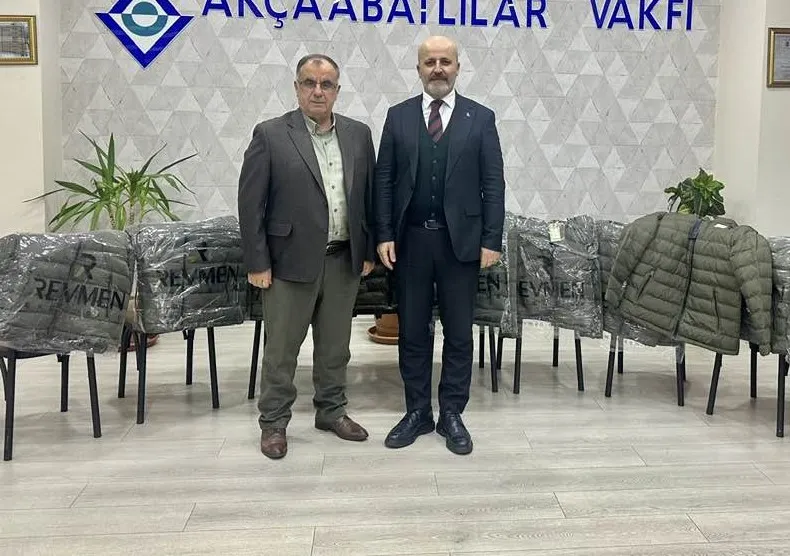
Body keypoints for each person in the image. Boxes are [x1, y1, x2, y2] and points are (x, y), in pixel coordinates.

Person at [238, 54, 377, 459]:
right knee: (281, 350)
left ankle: (331, 411)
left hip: (343, 261)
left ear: (337, 90)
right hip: (287, 263)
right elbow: (251, 204)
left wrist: (367, 249)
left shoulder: (358, 134)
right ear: (297, 88)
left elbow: (368, 197)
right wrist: (258, 262)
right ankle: (273, 423)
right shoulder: (270, 135)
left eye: (326, 84)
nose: (318, 91)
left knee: (336, 347)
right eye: (309, 83)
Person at [374, 36, 506, 455]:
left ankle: (451, 412)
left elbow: (493, 184)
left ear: (457, 68)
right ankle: (417, 411)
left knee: (459, 333)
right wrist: (383, 234)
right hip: (411, 241)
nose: (437, 68)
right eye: (429, 61)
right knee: (412, 331)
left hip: (460, 244)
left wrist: (491, 239)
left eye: (445, 61)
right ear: (418, 69)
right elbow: (384, 180)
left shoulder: (480, 118)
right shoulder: (397, 117)